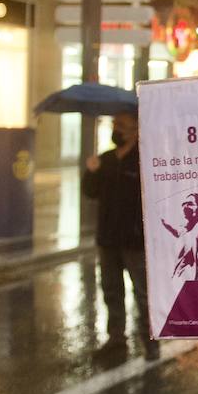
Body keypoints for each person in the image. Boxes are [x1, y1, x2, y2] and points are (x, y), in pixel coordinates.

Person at [82, 111, 153, 359]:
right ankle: (116, 338)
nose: (116, 129)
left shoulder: (144, 161)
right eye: (114, 124)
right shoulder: (106, 159)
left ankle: (150, 341)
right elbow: (90, 193)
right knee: (111, 290)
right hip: (108, 240)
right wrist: (91, 171)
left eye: (122, 125)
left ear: (135, 130)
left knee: (143, 294)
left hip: (135, 241)